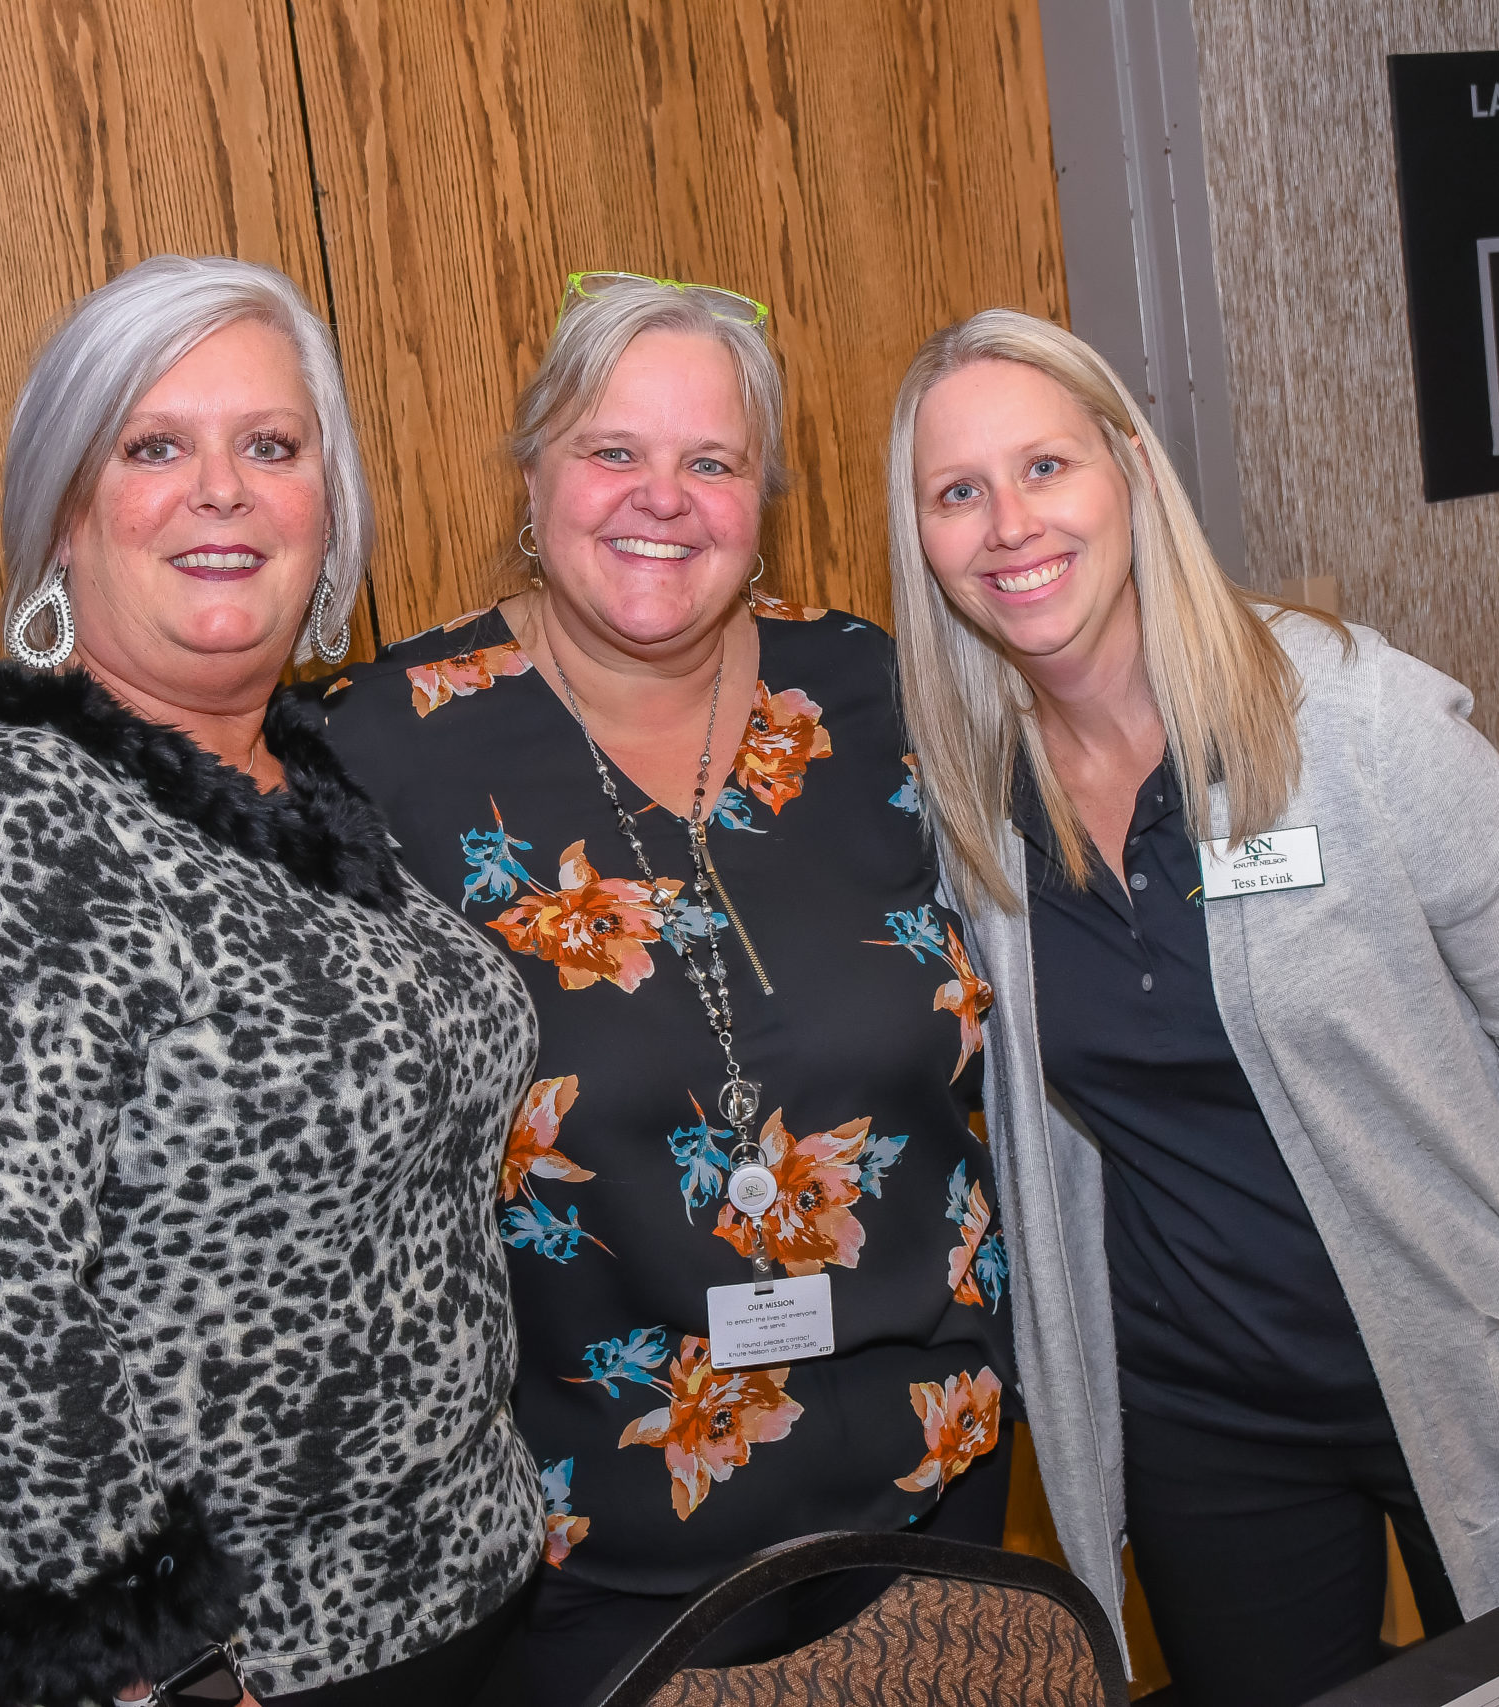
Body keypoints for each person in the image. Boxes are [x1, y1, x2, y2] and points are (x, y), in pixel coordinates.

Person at [883, 308, 1499, 1707]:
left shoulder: (1356, 716)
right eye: (959, 493)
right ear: (925, 538)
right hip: (1207, 1422)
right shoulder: (969, 811)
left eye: (1046, 468)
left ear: (1129, 468)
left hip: (1482, 1366)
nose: (1009, 525)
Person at [0, 256, 542, 1707]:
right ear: (62, 516)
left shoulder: (303, 784)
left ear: (327, 515)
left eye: (271, 448)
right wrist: (153, 1672)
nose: (221, 489)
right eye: (154, 445)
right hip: (261, 1671)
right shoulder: (10, 818)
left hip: (476, 1604)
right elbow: (3, 1314)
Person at [319, 273, 1014, 1703]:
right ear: (533, 475)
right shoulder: (385, 747)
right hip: (599, 1564)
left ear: (765, 497)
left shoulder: (874, 691)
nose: (664, 498)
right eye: (612, 451)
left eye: (714, 461)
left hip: (935, 1492)